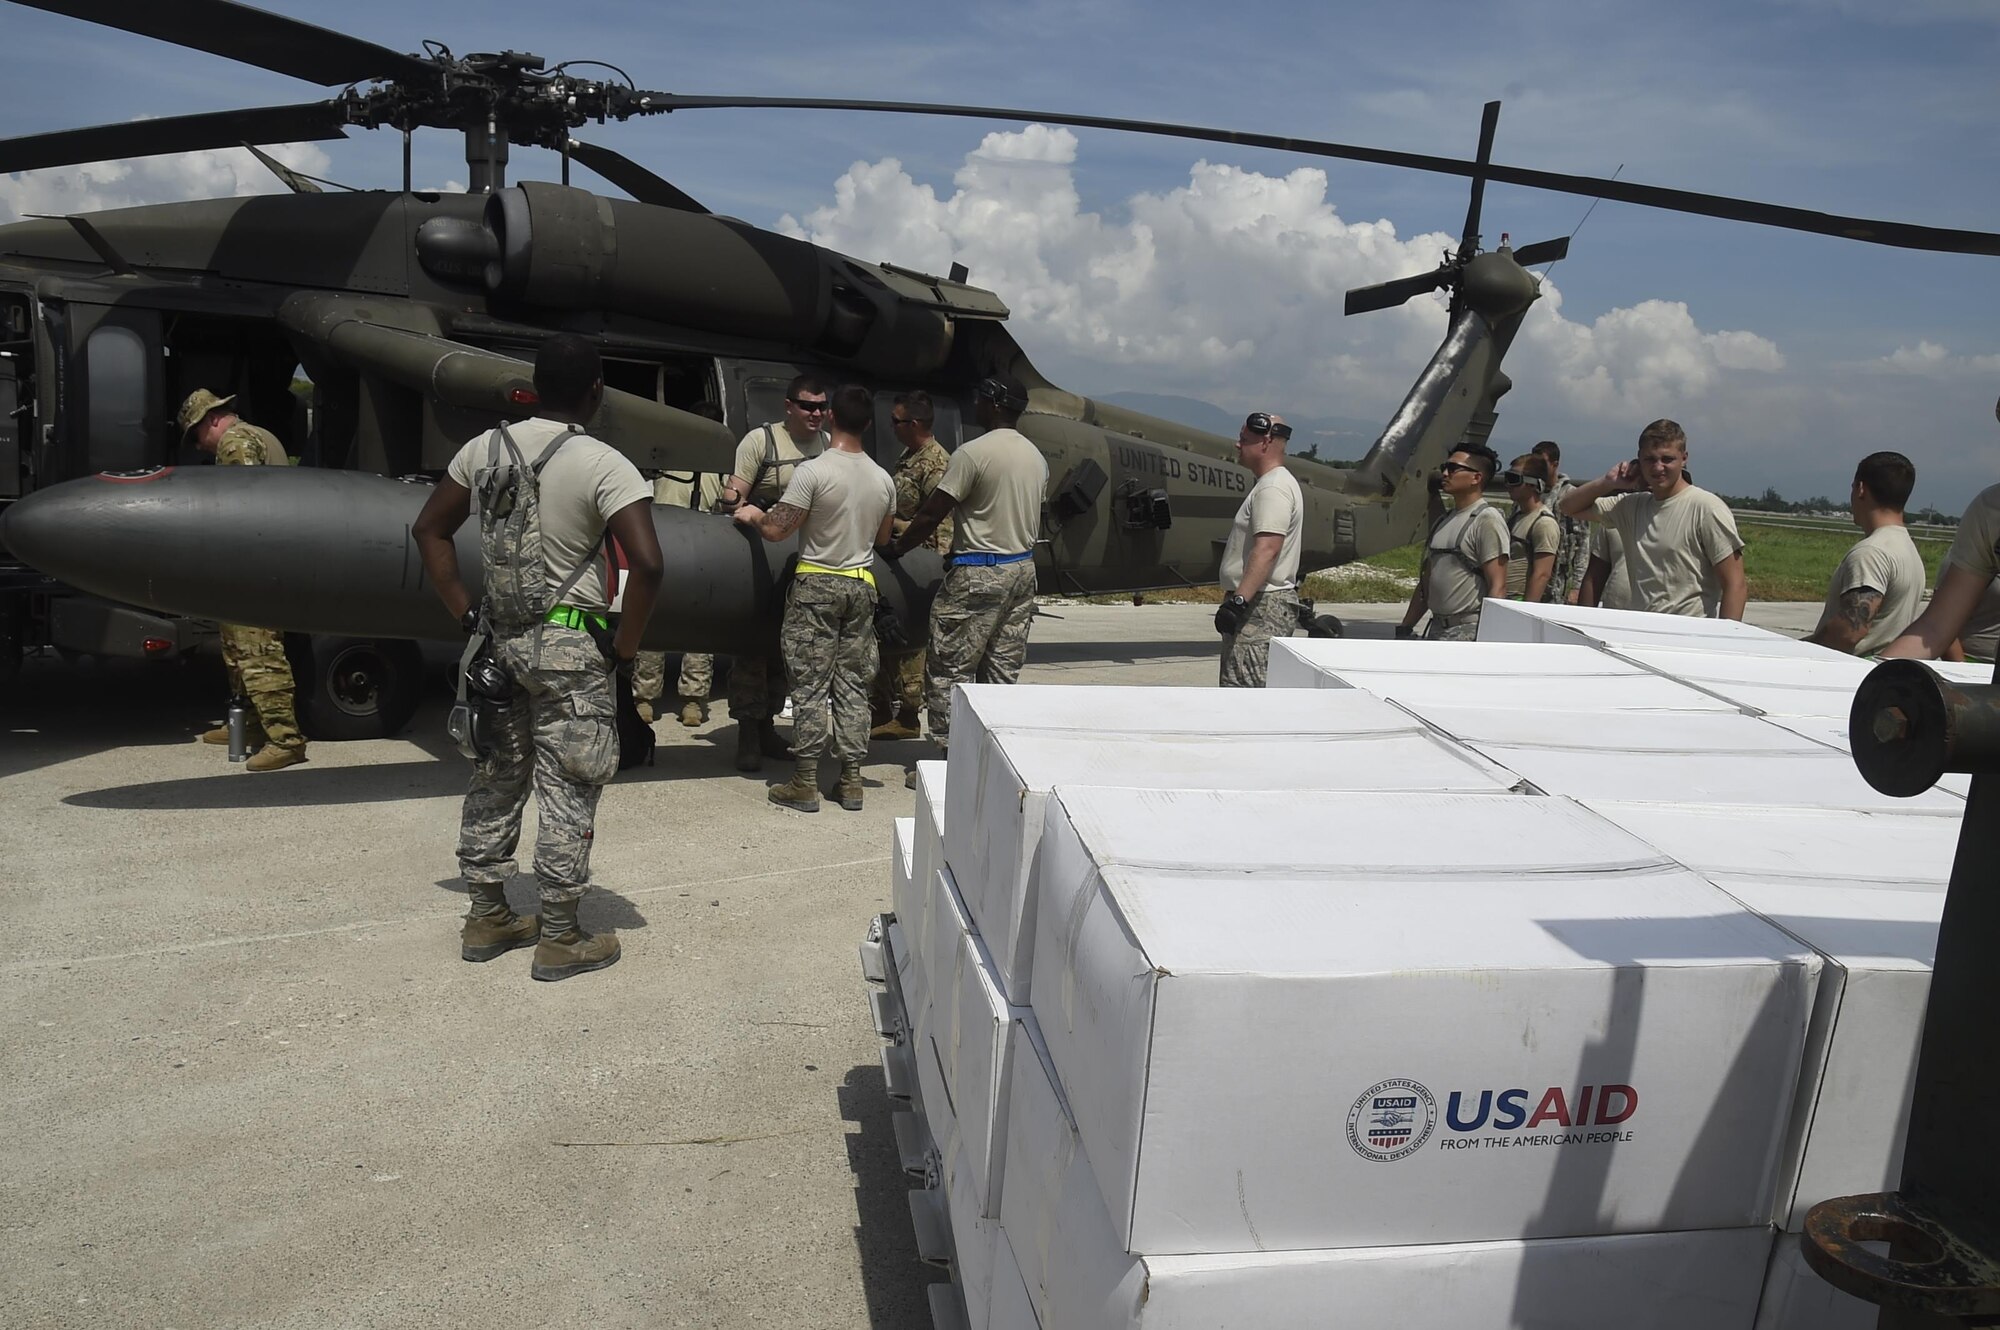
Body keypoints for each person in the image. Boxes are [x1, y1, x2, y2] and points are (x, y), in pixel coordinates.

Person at [411, 334, 662, 982]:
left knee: (497, 776)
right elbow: (651, 562)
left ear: (533, 386)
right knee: (569, 784)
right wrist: (625, 647)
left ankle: (487, 915)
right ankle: (559, 935)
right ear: (596, 392)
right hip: (574, 647)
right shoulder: (604, 463)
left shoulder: (481, 450)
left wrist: (464, 610)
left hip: (499, 643)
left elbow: (428, 528)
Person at [734, 384, 897, 813]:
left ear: (830, 418)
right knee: (852, 685)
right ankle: (851, 780)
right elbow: (882, 537)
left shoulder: (814, 471)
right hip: (862, 587)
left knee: (808, 684)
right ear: (867, 424)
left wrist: (752, 514)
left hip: (816, 586)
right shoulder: (883, 479)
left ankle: (805, 780)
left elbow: (777, 530)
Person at [888, 373, 1048, 768]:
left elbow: (931, 514)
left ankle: (949, 758)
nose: (974, 404)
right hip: (1021, 572)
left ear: (993, 403)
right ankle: (992, 760)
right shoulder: (1036, 457)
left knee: (949, 667)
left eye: (980, 398)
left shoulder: (973, 454)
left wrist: (896, 550)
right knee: (1000, 670)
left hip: (978, 572)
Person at [179, 389, 308, 773]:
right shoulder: (261, 435)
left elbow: (243, 506)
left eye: (196, 435)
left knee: (258, 653)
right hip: (264, 562)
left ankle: (285, 740)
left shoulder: (235, 442)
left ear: (211, 419)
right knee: (239, 651)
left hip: (254, 565)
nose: (199, 445)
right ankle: (250, 726)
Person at [718, 375, 830, 771]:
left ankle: (767, 728)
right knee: (752, 646)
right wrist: (738, 503)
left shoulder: (828, 446)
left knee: (787, 650)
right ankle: (748, 731)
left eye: (821, 406)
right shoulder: (760, 442)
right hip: (759, 556)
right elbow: (735, 497)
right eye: (807, 406)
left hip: (803, 560)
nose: (815, 413)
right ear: (789, 406)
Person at [1559, 419, 1747, 620]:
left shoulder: (1707, 508)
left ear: (1684, 459)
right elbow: (1568, 507)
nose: (1658, 468)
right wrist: (1608, 482)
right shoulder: (1630, 506)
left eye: (1667, 459)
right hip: (1642, 630)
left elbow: (1735, 584)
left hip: (1689, 635)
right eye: (1650, 459)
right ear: (1638, 461)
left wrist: (1724, 641)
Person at [633, 400, 727, 727]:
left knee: (690, 629)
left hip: (698, 551)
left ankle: (689, 700)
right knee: (662, 625)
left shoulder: (719, 468)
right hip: (670, 548)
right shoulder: (664, 460)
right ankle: (649, 697)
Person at [871, 391, 954, 740]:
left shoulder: (936, 463)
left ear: (915, 424)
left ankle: (908, 713)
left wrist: (895, 530)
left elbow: (937, 521)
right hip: (900, 557)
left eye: (896, 421)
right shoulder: (909, 457)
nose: (891, 426)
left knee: (913, 643)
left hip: (922, 561)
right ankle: (885, 709)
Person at [1214, 410, 1304, 687]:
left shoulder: (1273, 488)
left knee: (1245, 695)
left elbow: (1267, 549)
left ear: (1265, 442)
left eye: (1244, 438)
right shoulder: (1273, 484)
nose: (1238, 444)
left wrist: (1239, 602)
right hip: (1260, 605)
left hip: (1260, 609)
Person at [1804, 452, 1927, 655]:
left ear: (1861, 489)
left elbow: (1849, 632)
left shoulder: (1871, 553)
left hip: (1852, 673)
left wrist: (1801, 651)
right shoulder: (1908, 549)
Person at [1398, 444, 1508, 641]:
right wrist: (1406, 626)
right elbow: (1426, 584)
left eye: (1453, 468)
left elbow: (1497, 586)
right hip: (1437, 629)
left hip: (1468, 633)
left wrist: (1488, 639)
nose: (1445, 474)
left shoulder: (1486, 520)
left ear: (1476, 478)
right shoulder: (1444, 521)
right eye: (1444, 468)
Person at [1534, 440, 1588, 605]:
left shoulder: (1570, 496)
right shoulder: (1532, 493)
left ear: (1554, 464)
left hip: (1558, 579)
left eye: (1542, 463)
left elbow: (1583, 544)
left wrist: (1577, 587)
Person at [1502, 453, 1561, 605]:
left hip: (1519, 604)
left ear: (1533, 484)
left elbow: (1542, 574)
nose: (1508, 485)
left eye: (1514, 479)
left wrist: (1525, 612)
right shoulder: (1516, 517)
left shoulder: (1543, 523)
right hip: (1505, 602)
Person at [1577, 519, 1641, 611]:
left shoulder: (1668, 522)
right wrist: (1583, 618)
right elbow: (1594, 578)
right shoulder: (1613, 520)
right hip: (1614, 614)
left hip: (1660, 618)